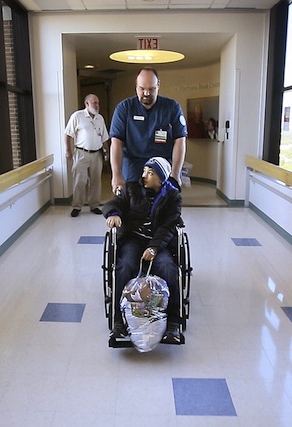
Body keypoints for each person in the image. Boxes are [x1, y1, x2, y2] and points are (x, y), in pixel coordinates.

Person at [102, 156, 182, 344]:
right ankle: (119, 322)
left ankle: (173, 323)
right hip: (133, 239)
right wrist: (113, 214)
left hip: (158, 242)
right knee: (125, 266)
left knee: (168, 268)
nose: (144, 176)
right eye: (144, 171)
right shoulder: (132, 188)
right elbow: (114, 203)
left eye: (150, 173)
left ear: (161, 179)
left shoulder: (172, 196)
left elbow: (169, 226)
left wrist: (154, 247)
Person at [109, 67, 187, 195]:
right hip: (133, 167)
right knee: (133, 207)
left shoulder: (171, 107)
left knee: (162, 208)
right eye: (142, 89)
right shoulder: (124, 108)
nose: (146, 93)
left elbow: (180, 140)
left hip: (161, 167)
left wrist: (175, 174)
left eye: (151, 89)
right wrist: (116, 175)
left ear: (158, 85)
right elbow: (116, 142)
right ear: (136, 86)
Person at [64, 94, 110, 217]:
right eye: (94, 103)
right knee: (80, 181)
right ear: (87, 104)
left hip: (97, 154)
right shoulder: (77, 116)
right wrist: (68, 151)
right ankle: (77, 206)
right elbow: (68, 134)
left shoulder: (100, 118)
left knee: (96, 182)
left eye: (98, 103)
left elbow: (105, 137)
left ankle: (94, 205)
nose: (97, 105)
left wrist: (107, 151)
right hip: (81, 154)